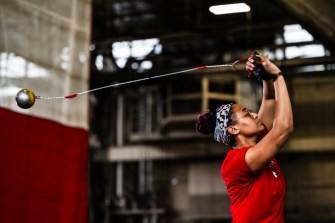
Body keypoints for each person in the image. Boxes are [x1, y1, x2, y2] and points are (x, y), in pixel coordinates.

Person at [196, 53, 293, 223]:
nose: (255, 114)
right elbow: (284, 129)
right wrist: (278, 76)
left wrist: (265, 76)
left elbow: (269, 99)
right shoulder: (236, 162)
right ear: (233, 129)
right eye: (247, 114)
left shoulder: (259, 144)